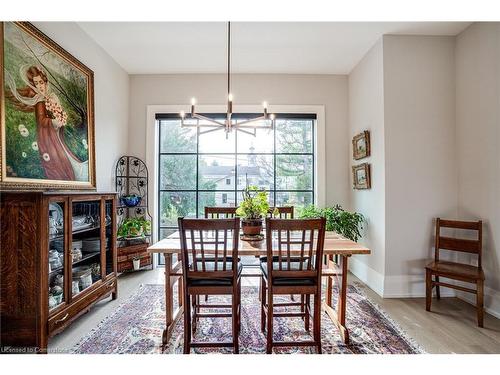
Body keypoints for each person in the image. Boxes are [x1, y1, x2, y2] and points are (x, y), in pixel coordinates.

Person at [6, 65, 76, 180]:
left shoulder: (50, 97)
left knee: (62, 158)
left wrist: (59, 119)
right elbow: (42, 121)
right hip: (46, 137)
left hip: (55, 134)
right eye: (36, 83)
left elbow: (58, 113)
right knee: (55, 161)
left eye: (41, 82)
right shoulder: (39, 101)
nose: (39, 86)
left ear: (45, 81)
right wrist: (53, 122)